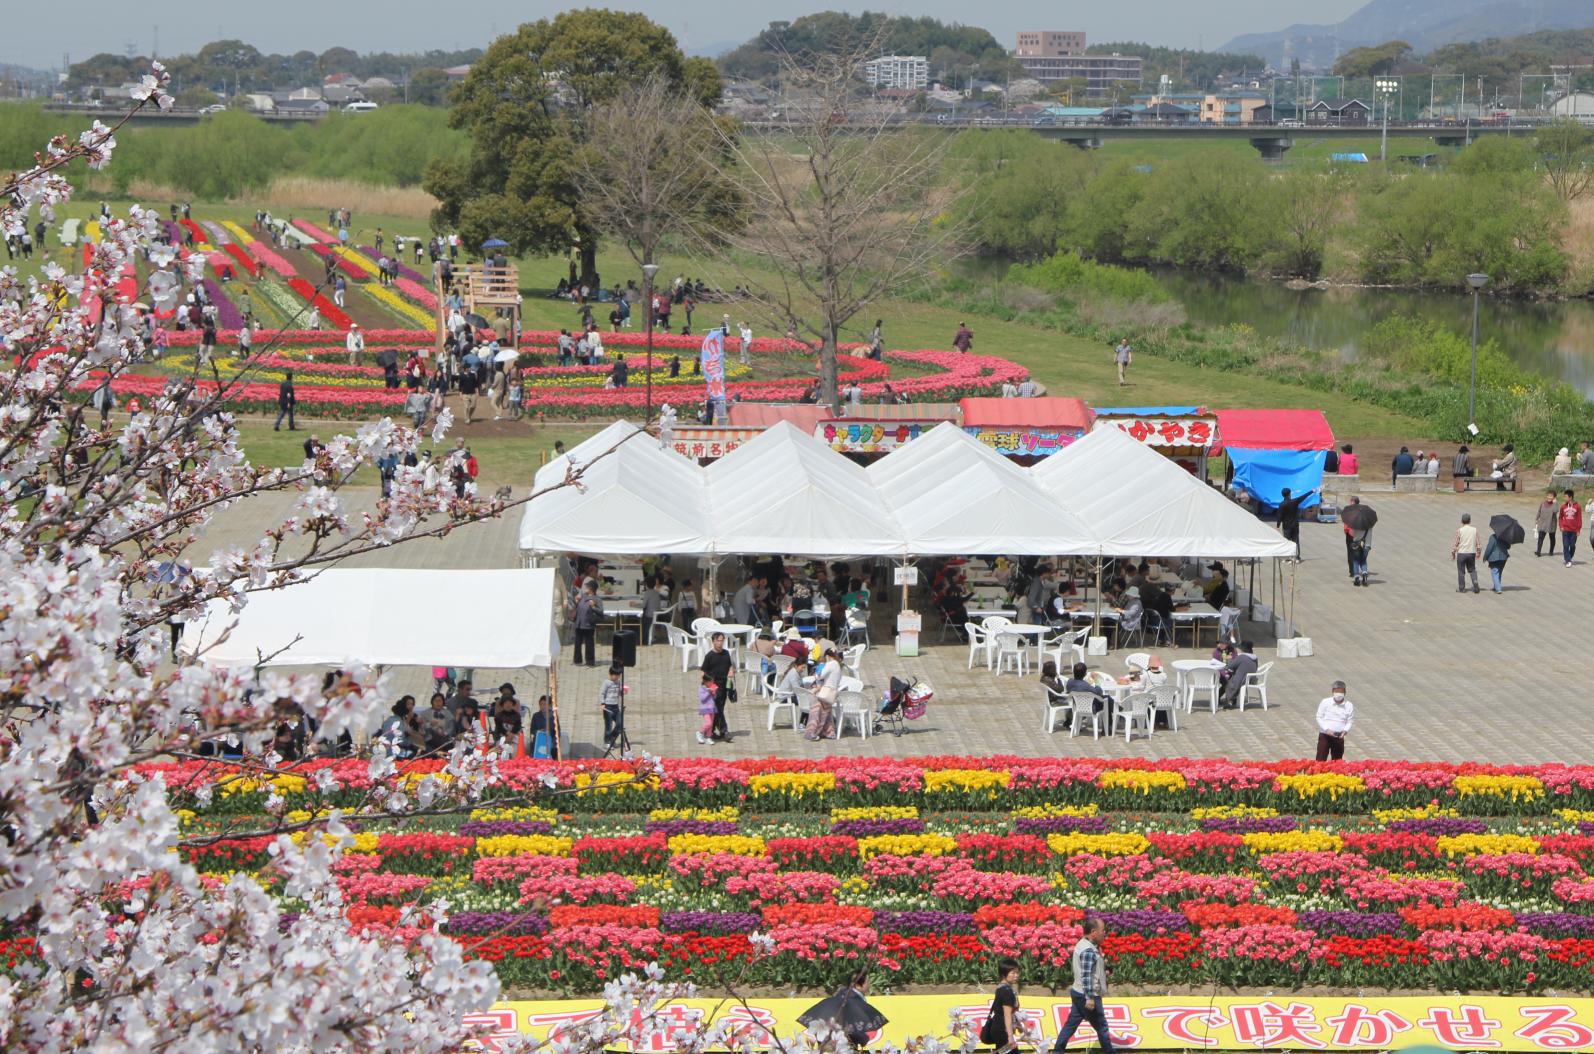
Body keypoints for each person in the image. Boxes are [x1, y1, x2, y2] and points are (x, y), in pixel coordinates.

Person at [1050, 915, 1115, 1054]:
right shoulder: (1088, 951)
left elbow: (1090, 969)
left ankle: (1057, 1050)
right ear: (1093, 932)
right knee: (1102, 1027)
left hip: (1077, 991)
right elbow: (1086, 975)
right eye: (1103, 930)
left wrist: (1104, 968)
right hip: (1087, 994)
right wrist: (1089, 997)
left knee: (1071, 1024)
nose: (1105, 933)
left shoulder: (1083, 944)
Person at [700, 632, 734, 743]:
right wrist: (708, 686)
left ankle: (711, 730)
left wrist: (731, 671)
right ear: (713, 641)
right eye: (718, 640)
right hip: (714, 686)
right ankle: (724, 731)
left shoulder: (726, 654)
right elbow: (703, 672)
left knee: (719, 709)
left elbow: (730, 666)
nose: (720, 643)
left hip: (724, 684)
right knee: (718, 708)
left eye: (722, 640)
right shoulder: (709, 656)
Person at [806, 645, 843, 741]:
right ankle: (828, 732)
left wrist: (816, 674)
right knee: (826, 713)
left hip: (825, 692)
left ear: (827, 656)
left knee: (817, 712)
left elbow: (820, 676)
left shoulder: (830, 664)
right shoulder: (838, 665)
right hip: (832, 692)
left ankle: (812, 732)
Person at [985, 959, 1022, 1054]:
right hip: (1003, 1030)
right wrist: (1010, 1036)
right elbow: (1007, 1014)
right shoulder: (1007, 991)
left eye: (1017, 973)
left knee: (1002, 1052)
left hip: (998, 1028)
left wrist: (1018, 1025)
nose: (1016, 976)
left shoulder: (1001, 987)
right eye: (1013, 973)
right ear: (1004, 974)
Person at [1315, 680, 1353, 761]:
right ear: (1333, 691)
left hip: (1339, 736)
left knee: (1337, 760)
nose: (1339, 694)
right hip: (1325, 735)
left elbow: (1350, 721)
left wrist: (1345, 731)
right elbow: (1319, 717)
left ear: (1345, 692)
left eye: (1341, 691)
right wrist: (1327, 729)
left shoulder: (1349, 705)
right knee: (1321, 758)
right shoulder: (1325, 702)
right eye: (1336, 691)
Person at [1276, 487, 1315, 561]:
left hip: (1286, 526)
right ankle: (1296, 557)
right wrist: (1312, 491)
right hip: (1295, 525)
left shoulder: (1281, 505)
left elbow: (1279, 516)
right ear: (1289, 494)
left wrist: (1278, 525)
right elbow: (1303, 496)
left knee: (1287, 542)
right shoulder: (1294, 501)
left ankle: (1288, 557)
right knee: (1295, 541)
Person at [1219, 640, 1257, 708]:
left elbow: (1230, 665)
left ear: (1243, 649)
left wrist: (1230, 658)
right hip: (1251, 679)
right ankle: (1231, 699)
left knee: (1224, 679)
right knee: (1228, 677)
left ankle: (1229, 700)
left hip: (1241, 680)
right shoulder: (1254, 658)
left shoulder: (1242, 657)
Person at [572, 581, 602, 666]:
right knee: (577, 643)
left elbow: (601, 611)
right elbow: (578, 607)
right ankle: (577, 660)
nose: (585, 589)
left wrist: (593, 607)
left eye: (587, 587)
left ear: (591, 589)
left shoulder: (597, 599)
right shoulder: (583, 596)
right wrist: (576, 601)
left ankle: (590, 661)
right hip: (579, 623)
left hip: (588, 624)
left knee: (589, 644)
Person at [600, 664, 626, 753]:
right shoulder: (606, 683)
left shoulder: (618, 682)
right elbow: (602, 693)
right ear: (610, 674)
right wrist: (602, 703)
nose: (617, 677)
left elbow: (619, 693)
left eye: (618, 676)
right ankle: (607, 741)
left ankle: (612, 739)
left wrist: (623, 691)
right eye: (615, 675)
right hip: (608, 707)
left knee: (620, 724)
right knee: (609, 726)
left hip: (616, 706)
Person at [1452, 512, 1481, 593]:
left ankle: (1462, 588)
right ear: (1470, 521)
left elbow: (1456, 543)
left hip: (1461, 553)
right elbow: (1478, 544)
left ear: (1462, 521)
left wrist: (1453, 553)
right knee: (1472, 569)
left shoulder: (1459, 530)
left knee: (1461, 571)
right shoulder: (1475, 530)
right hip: (1471, 553)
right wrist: (1478, 553)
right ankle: (1475, 580)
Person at [528, 694, 559, 758]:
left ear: (550, 705)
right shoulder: (536, 716)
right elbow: (532, 731)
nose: (542, 706)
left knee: (553, 748)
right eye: (541, 704)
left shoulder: (554, 716)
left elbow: (557, 732)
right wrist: (539, 731)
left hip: (550, 740)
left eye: (545, 704)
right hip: (538, 739)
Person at [1484, 528, 1511, 594]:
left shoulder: (1493, 537)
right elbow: (1508, 546)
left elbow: (1489, 548)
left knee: (1495, 572)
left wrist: (1485, 557)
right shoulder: (1505, 537)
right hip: (1503, 557)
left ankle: (1498, 589)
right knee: (1499, 572)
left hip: (1494, 558)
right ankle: (1496, 586)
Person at [1560, 489, 1583, 567]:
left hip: (1574, 530)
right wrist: (1561, 526)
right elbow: (1560, 517)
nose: (1564, 498)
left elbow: (1579, 518)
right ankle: (1568, 560)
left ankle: (1569, 556)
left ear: (1570, 497)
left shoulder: (1578, 506)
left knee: (1572, 545)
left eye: (1565, 496)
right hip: (1565, 530)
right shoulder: (1563, 506)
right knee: (1566, 545)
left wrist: (1578, 529)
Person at [696, 672, 719, 745]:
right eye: (711, 681)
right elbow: (702, 699)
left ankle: (708, 737)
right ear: (705, 681)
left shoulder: (711, 687)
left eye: (713, 681)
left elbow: (714, 698)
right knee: (708, 723)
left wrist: (714, 693)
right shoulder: (702, 689)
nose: (712, 683)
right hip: (705, 709)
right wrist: (709, 692)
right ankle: (700, 733)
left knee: (711, 724)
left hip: (712, 708)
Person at [1535, 490, 1558, 557]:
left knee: (1552, 537)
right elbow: (1539, 511)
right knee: (1540, 537)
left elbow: (1555, 511)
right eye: (1548, 495)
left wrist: (1555, 503)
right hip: (1542, 523)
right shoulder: (1543, 503)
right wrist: (1536, 519)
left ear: (1554, 497)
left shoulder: (1555, 504)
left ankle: (1551, 551)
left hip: (1551, 524)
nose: (1549, 497)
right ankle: (1538, 551)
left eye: (1551, 496)